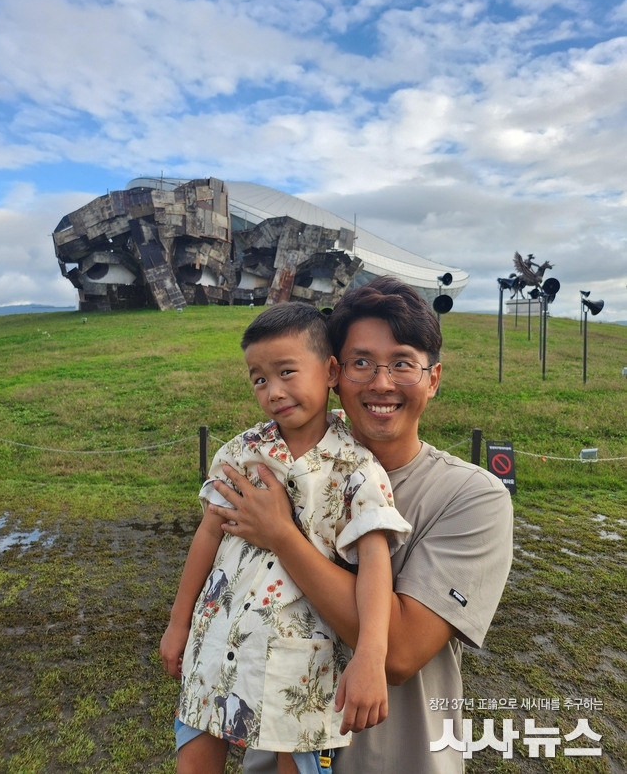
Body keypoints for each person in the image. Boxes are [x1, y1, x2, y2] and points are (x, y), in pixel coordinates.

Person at [210, 277, 514, 774]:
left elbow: (398, 655)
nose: (380, 382)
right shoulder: (279, 467)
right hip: (277, 754)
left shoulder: (471, 498)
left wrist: (283, 537)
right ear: (333, 373)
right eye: (361, 362)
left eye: (402, 363)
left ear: (433, 379)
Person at [160, 302, 412, 774]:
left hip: (302, 668)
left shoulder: (356, 469)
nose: (273, 391)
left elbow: (377, 564)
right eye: (259, 379)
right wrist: (178, 622)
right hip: (216, 641)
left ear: (330, 370)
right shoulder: (242, 453)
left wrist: (371, 656)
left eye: (287, 372)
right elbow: (208, 534)